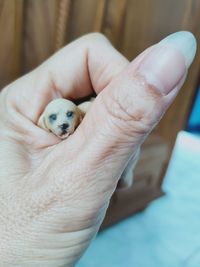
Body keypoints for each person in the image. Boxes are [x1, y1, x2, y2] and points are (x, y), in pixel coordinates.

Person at [0, 31, 196, 266]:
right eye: (53, 118)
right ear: (43, 123)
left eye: (69, 114)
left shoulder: (84, 116)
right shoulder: (39, 137)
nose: (63, 121)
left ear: (79, 118)